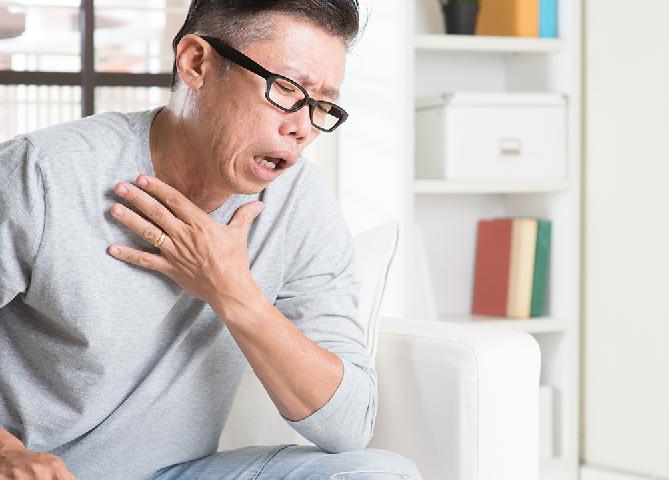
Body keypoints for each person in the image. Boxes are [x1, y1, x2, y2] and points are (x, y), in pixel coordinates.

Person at [0, 1, 422, 479]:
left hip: (177, 472)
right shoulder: (42, 174)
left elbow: (348, 427)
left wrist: (233, 292)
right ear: (196, 63)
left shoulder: (298, 204)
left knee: (378, 473)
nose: (302, 128)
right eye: (285, 90)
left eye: (321, 106)